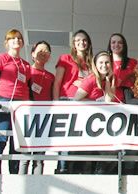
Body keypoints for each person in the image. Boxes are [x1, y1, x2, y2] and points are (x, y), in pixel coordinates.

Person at [0, 29, 31, 174]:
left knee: (17, 141)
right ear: (7, 43)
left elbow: (29, 88)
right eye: (13, 38)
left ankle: (14, 173)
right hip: (5, 100)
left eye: (19, 38)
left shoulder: (25, 65)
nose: (16, 40)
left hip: (22, 105)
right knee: (2, 136)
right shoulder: (1, 58)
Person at [52, 29, 92, 174]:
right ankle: (63, 168)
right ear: (74, 44)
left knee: (81, 139)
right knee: (67, 139)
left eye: (84, 40)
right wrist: (56, 104)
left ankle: (78, 169)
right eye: (78, 40)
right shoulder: (65, 58)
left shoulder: (91, 63)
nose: (82, 42)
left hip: (85, 103)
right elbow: (57, 82)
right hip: (67, 100)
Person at [18, 41, 53, 175]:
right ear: (33, 54)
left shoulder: (51, 76)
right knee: (25, 156)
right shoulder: (26, 71)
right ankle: (21, 183)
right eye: (40, 51)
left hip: (44, 118)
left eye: (46, 51)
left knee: (39, 157)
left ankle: (37, 185)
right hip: (27, 116)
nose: (43, 54)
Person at [108, 33, 137, 103]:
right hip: (108, 100)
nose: (116, 45)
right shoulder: (104, 62)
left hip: (128, 101)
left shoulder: (133, 62)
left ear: (124, 46)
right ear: (110, 45)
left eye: (120, 42)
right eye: (113, 42)